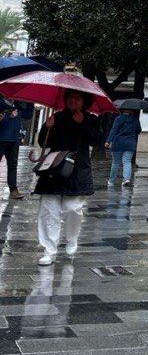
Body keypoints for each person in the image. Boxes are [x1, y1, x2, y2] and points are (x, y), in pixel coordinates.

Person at [32, 91, 103, 266]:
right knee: (49, 211)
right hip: (53, 171)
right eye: (70, 97)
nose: (72, 100)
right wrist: (46, 128)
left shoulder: (91, 119)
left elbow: (96, 141)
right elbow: (43, 142)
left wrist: (82, 125)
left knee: (73, 208)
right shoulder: (56, 117)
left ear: (83, 101)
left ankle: (72, 239)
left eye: (77, 97)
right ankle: (49, 249)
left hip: (77, 172)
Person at [105, 109, 141, 187]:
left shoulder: (119, 118)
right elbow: (139, 130)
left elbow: (114, 130)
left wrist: (108, 141)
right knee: (127, 161)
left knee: (115, 162)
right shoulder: (135, 119)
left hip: (118, 143)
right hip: (130, 143)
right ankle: (126, 180)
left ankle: (111, 181)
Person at [0, 98, 24, 199]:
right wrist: (9, 115)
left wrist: (29, 104)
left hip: (14, 139)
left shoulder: (19, 103)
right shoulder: (1, 101)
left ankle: (13, 190)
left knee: (13, 165)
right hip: (1, 138)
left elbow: (28, 115)